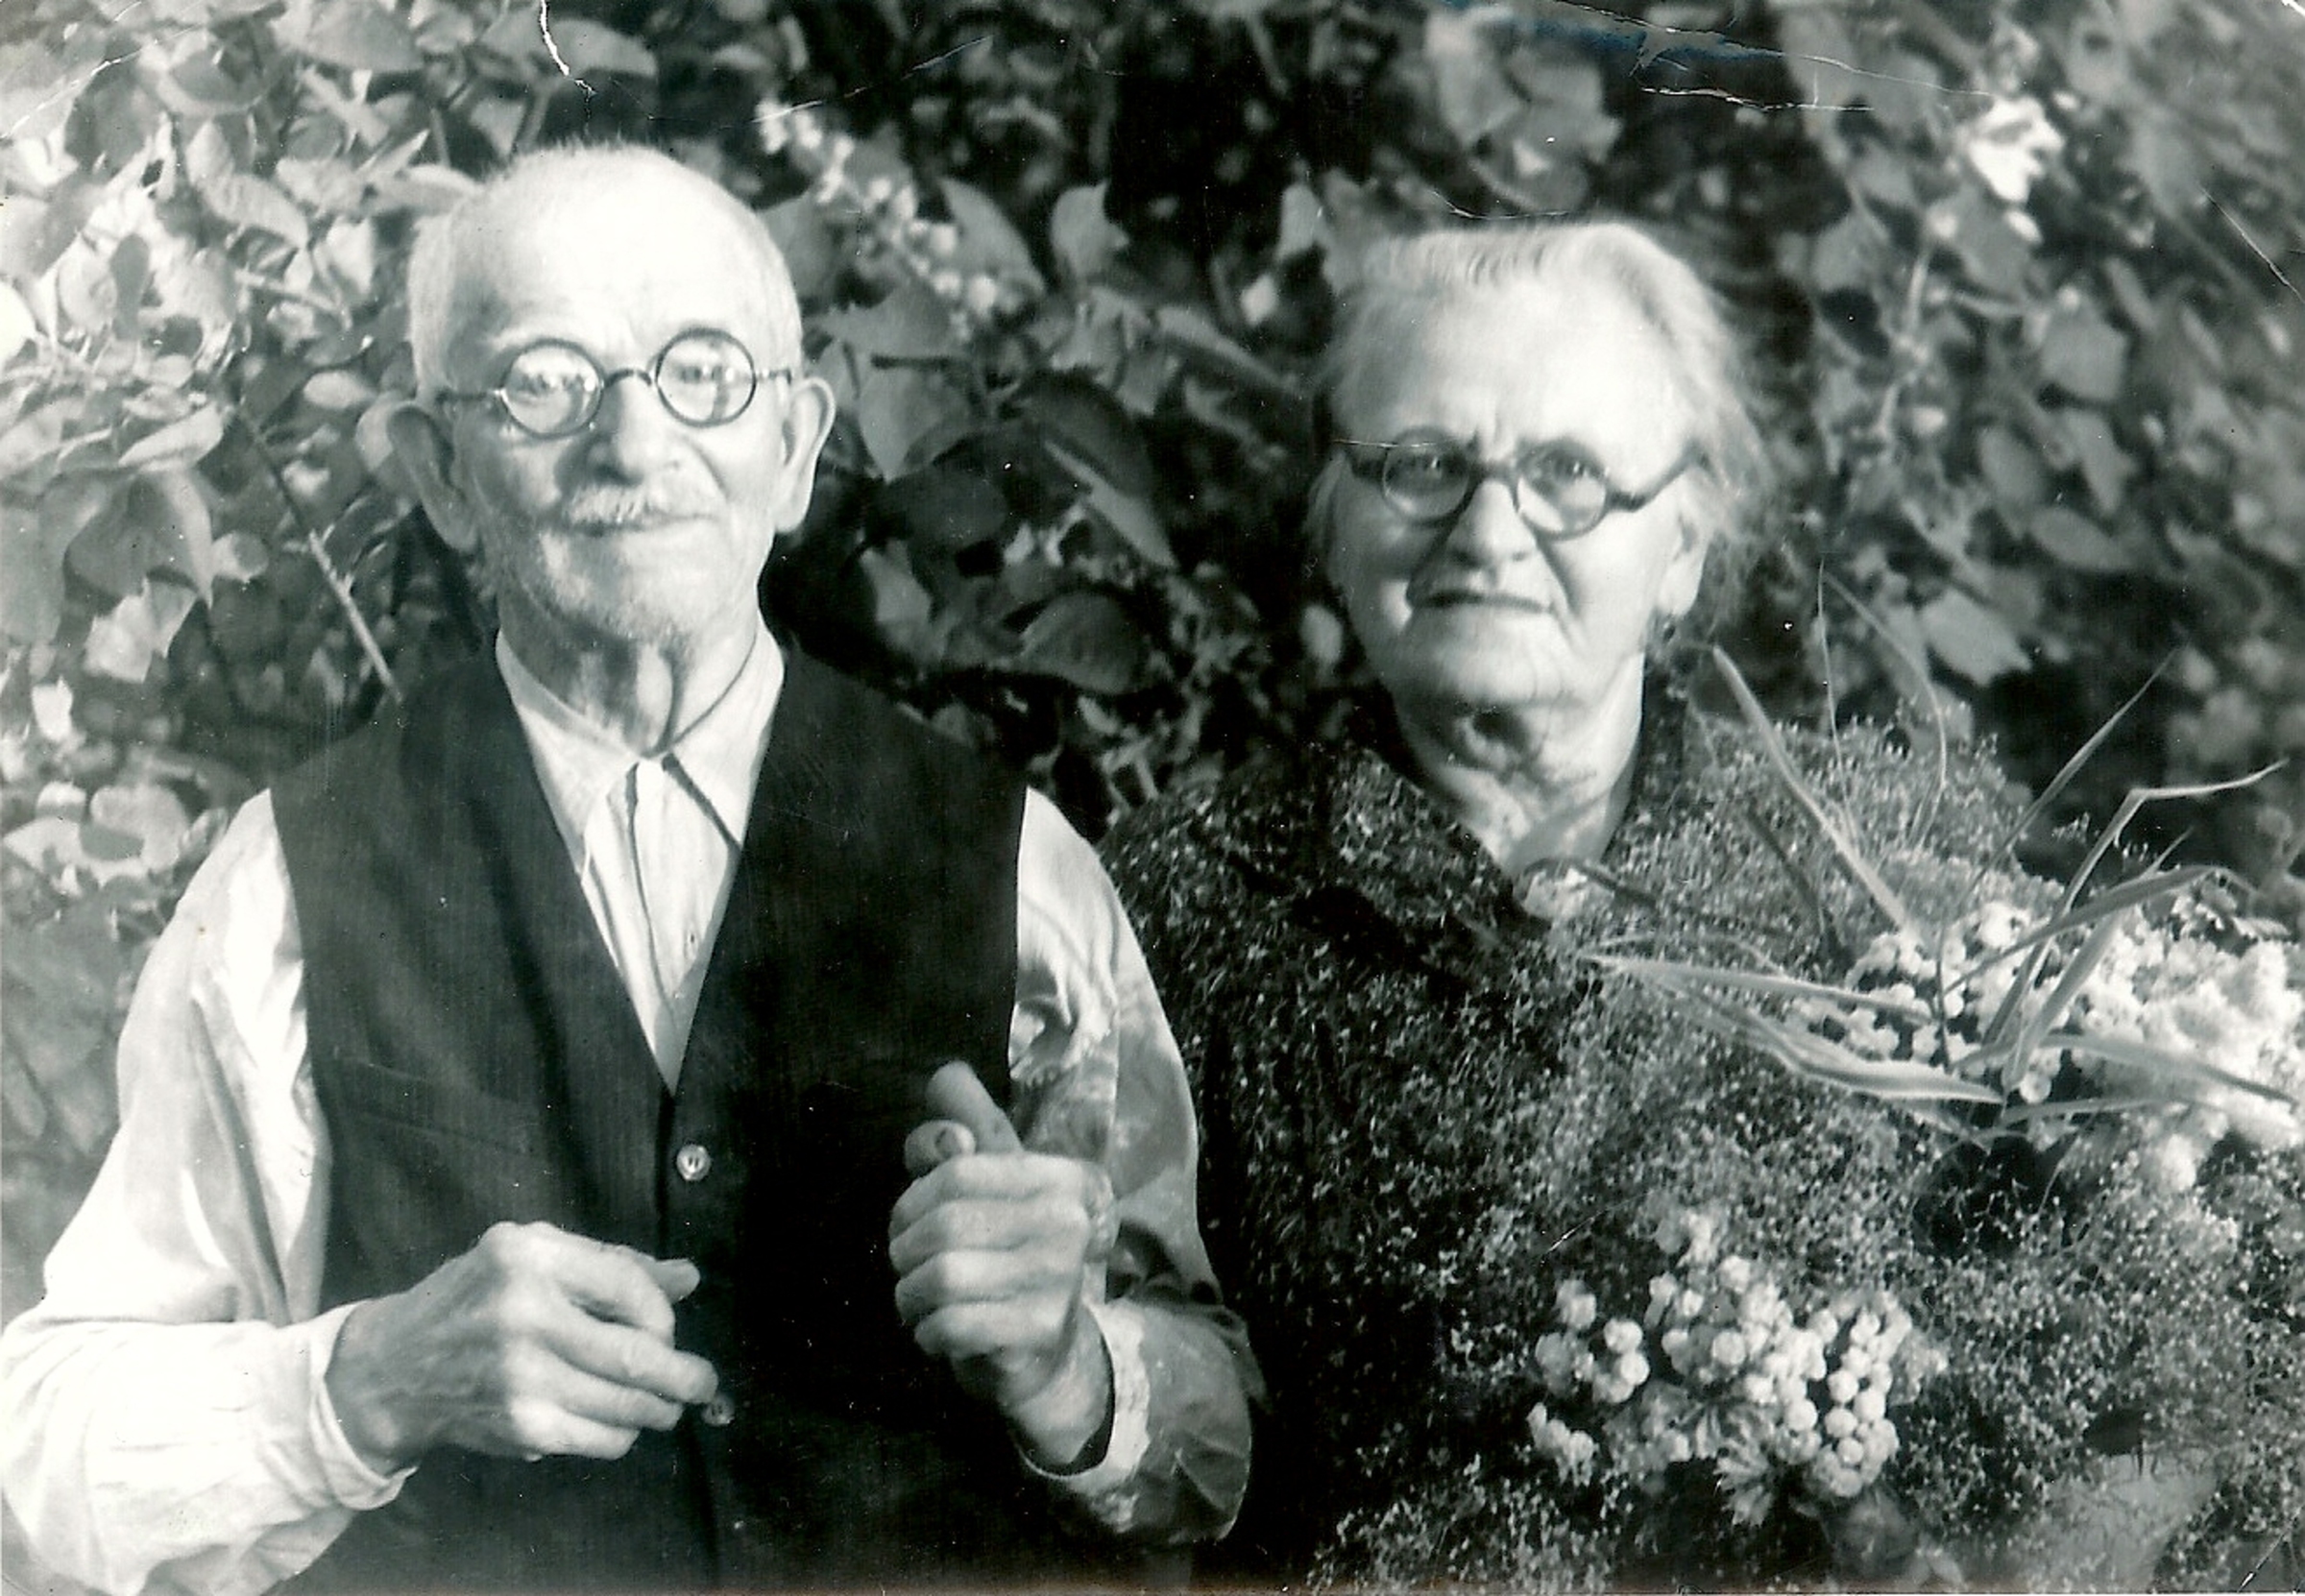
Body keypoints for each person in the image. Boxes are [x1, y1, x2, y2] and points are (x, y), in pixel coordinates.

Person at [1, 144, 1252, 1594]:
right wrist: (367, 1382)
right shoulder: (288, 880)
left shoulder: (1013, 861)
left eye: (703, 372)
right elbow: (42, 1451)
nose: (635, 446)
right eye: (545, 383)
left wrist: (1071, 1368)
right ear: (441, 472)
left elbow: (1217, 1441)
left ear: (795, 448)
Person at [1100, 221, 1776, 1578]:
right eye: (1421, 465)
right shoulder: (1177, 895)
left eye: (1567, 473)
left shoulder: (1853, 907)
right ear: (1336, 524)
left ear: (1684, 547)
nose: (1488, 532)